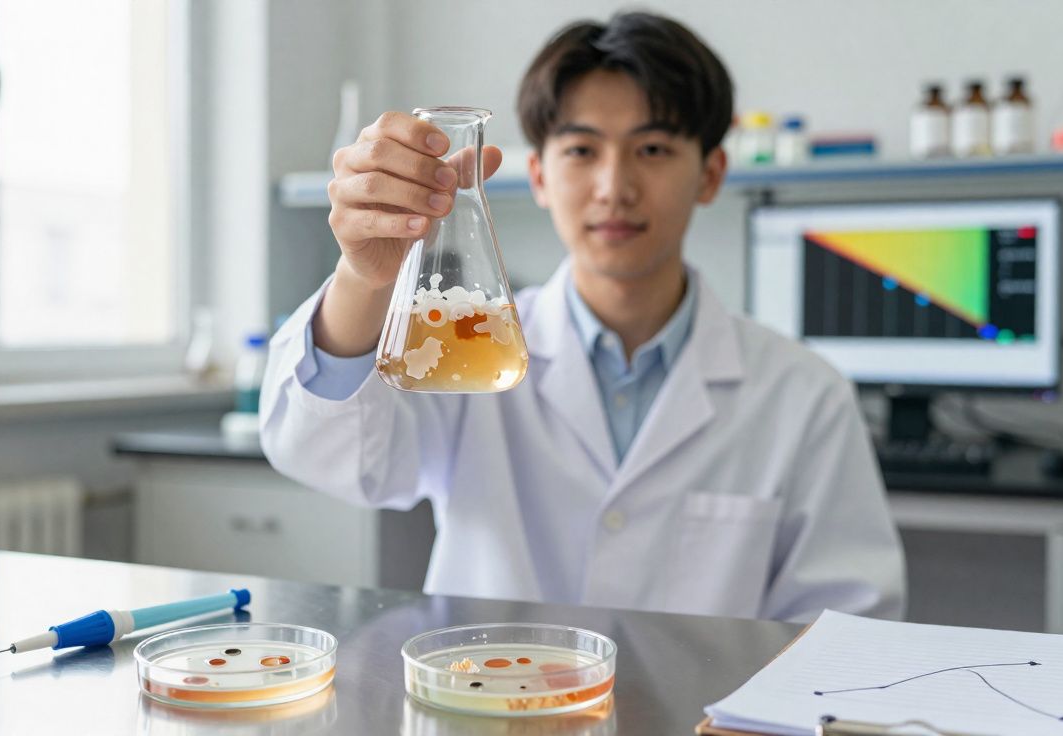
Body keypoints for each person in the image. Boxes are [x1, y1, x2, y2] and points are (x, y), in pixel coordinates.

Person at [260, 11, 905, 621]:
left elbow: (845, 621)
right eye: (581, 151)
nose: (613, 187)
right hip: (491, 704)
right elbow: (321, 454)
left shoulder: (804, 395)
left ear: (710, 174)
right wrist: (364, 279)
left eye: (652, 149)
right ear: (538, 176)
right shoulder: (467, 351)